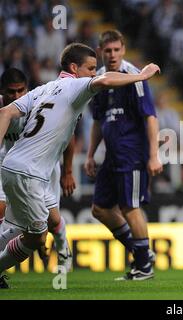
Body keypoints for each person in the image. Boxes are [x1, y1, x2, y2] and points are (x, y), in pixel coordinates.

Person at [0, 42, 161, 289]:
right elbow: (105, 80)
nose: (94, 73)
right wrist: (141, 76)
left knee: (13, 226)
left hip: (11, 166)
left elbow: (5, 113)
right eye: (91, 68)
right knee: (36, 236)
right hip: (29, 173)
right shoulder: (75, 85)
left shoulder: (43, 89)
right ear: (74, 68)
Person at [83, 30, 162, 281]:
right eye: (108, 51)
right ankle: (142, 254)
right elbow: (98, 121)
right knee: (100, 209)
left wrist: (153, 155)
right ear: (100, 51)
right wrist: (89, 154)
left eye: (117, 50)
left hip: (132, 154)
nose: (113, 55)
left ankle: (144, 266)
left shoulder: (135, 77)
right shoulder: (100, 81)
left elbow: (150, 117)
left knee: (130, 206)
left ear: (124, 49)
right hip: (111, 156)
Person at [0, 68, 74, 272]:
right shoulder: (4, 110)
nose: (15, 96)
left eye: (20, 91)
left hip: (42, 168)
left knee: (52, 220)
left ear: (27, 89)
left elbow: (69, 137)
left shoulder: (37, 104)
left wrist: (68, 171)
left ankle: (63, 250)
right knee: (8, 217)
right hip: (8, 165)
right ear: (2, 92)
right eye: (10, 92)